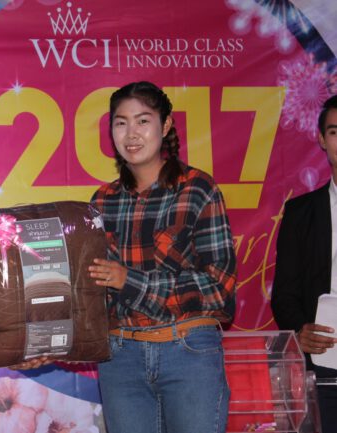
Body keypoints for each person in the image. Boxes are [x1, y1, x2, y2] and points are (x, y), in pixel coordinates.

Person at [88, 81, 237, 433]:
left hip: (188, 352)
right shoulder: (101, 201)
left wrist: (129, 281)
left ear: (166, 125)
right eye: (121, 123)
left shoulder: (197, 189)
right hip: (120, 357)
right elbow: (92, 290)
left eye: (143, 121)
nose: (131, 134)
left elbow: (219, 288)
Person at [271, 94, 337, 433]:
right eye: (335, 132)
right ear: (322, 139)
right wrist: (300, 330)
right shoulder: (300, 213)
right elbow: (284, 294)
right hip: (324, 365)